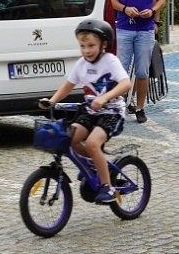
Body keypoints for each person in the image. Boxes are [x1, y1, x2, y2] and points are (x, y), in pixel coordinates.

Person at [39, 19, 131, 204]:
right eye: (82, 46)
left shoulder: (110, 61)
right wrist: (52, 101)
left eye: (91, 45)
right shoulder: (81, 64)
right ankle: (95, 164)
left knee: (92, 143)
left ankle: (108, 187)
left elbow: (126, 84)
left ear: (103, 44)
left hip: (112, 113)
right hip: (89, 112)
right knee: (69, 138)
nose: (86, 50)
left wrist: (104, 98)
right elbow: (67, 86)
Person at [108, 0, 165, 124]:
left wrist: (153, 10)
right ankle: (118, 105)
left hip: (145, 30)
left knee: (142, 71)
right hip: (124, 28)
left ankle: (140, 108)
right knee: (121, 69)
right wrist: (124, 9)